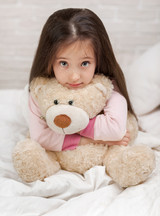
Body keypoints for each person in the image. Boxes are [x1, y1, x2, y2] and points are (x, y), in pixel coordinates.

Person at [28, 8, 134, 152]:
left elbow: (115, 130)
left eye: (84, 63)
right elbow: (40, 137)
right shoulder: (41, 91)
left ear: (98, 60)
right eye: (63, 63)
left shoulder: (105, 88)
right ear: (49, 61)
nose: (74, 77)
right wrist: (92, 139)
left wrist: (64, 124)